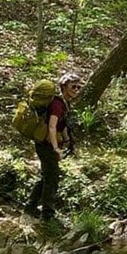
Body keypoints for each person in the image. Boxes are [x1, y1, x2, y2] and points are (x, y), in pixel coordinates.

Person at [25, 72, 81, 220]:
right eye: (73, 86)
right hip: (46, 144)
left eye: (78, 87)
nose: (76, 90)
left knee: (47, 177)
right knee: (52, 179)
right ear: (64, 87)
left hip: (50, 144)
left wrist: (67, 141)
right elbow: (52, 126)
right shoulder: (57, 104)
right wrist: (56, 148)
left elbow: (62, 125)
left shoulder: (65, 103)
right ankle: (47, 214)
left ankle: (30, 206)